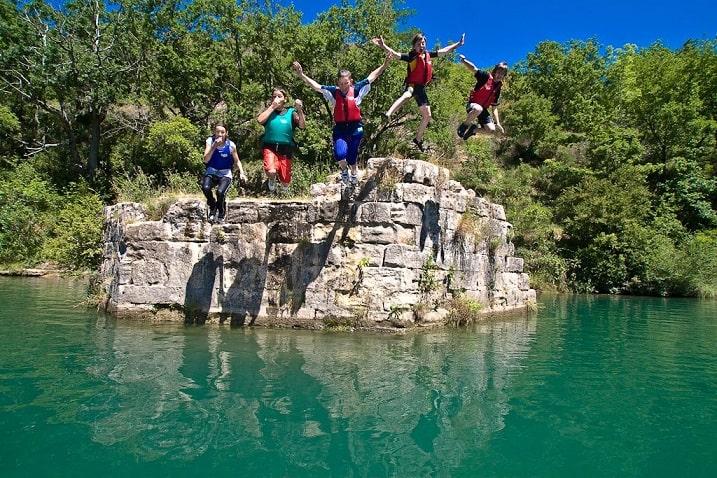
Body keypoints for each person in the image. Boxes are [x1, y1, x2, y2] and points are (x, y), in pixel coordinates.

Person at [292, 55, 392, 185]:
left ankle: (354, 173)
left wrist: (384, 64)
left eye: (346, 83)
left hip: (355, 128)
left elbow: (372, 76)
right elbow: (316, 86)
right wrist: (302, 75)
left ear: (351, 81)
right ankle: (344, 171)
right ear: (337, 83)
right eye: (341, 83)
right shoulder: (334, 92)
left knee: (351, 157)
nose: (344, 86)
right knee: (340, 154)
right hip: (340, 128)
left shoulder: (357, 90)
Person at [371, 32, 464, 151]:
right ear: (414, 46)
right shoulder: (411, 56)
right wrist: (383, 46)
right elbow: (394, 54)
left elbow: (445, 50)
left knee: (427, 115)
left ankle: (417, 139)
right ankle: (388, 114)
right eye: (419, 43)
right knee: (407, 94)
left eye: (423, 43)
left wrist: (458, 44)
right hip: (412, 84)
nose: (422, 45)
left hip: (421, 89)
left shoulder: (429, 55)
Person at [257, 88, 305, 194]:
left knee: (285, 180)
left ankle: (284, 188)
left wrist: (300, 110)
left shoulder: (291, 113)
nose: (276, 98)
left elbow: (302, 125)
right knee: (271, 170)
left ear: (285, 99)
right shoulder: (269, 111)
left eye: (279, 96)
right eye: (274, 96)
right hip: (269, 146)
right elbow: (260, 120)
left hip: (286, 148)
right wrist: (272, 106)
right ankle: (272, 179)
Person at [201, 123, 247, 223]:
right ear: (214, 132)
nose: (219, 134)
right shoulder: (210, 141)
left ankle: (221, 211)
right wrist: (214, 146)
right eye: (217, 132)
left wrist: (242, 173)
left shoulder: (231, 145)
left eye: (222, 132)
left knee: (220, 192)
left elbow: (237, 161)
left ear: (226, 133)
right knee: (205, 188)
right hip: (211, 171)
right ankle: (212, 206)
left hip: (225, 174)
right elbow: (205, 160)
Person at [456, 56, 507, 139]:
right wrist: (463, 61)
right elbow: (474, 68)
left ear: (504, 76)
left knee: (491, 129)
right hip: (472, 105)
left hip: (483, 110)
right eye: (499, 72)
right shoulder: (485, 76)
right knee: (478, 109)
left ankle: (473, 130)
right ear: (495, 72)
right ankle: (464, 125)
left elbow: (494, 107)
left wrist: (498, 123)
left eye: (502, 74)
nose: (500, 75)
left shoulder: (498, 88)